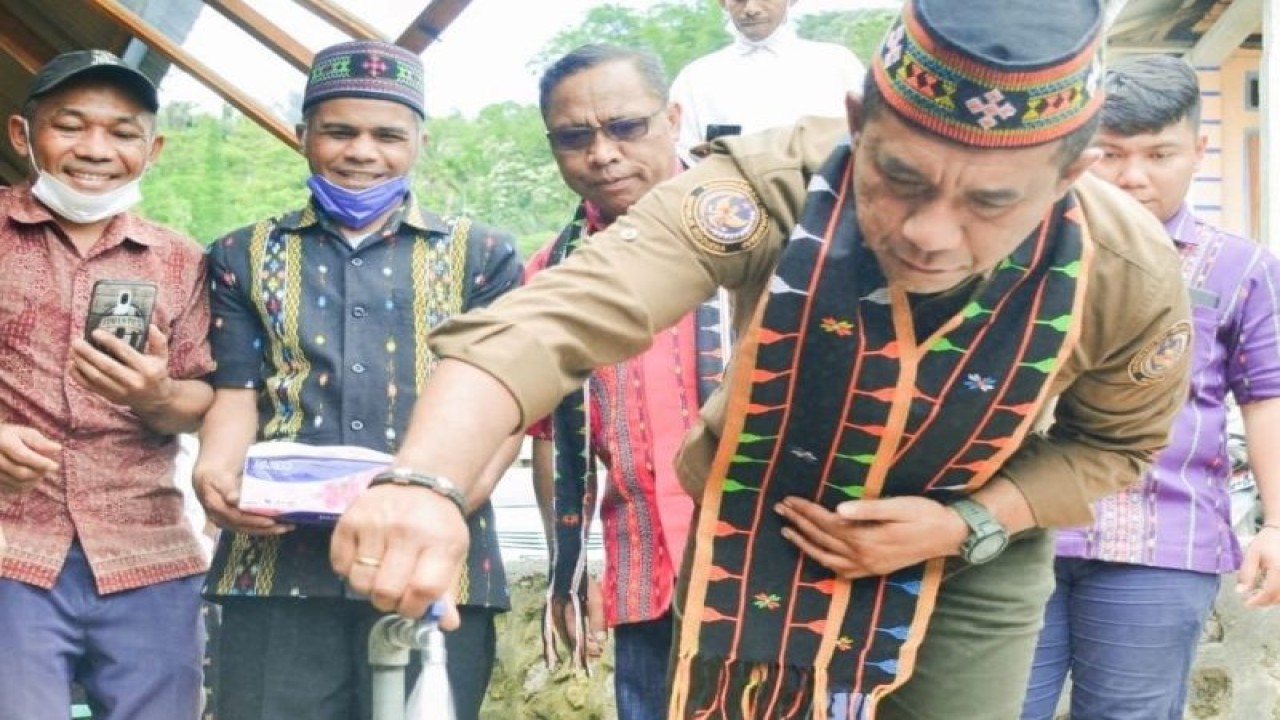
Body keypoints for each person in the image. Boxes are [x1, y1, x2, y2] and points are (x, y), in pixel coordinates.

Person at [332, 1, 1196, 717]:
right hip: (755, 534)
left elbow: (1115, 447)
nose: (931, 233)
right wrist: (425, 480)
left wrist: (968, 522)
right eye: (899, 179)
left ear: (1072, 172)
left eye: (992, 201)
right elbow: (558, 315)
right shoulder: (769, 183)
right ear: (859, 123)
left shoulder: (1124, 274)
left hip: (966, 559)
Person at [192, 40, 522, 720]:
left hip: (437, 570)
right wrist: (216, 474)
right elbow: (236, 393)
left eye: (387, 135)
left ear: (419, 142)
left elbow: (504, 409)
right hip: (274, 570)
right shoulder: (238, 254)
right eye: (339, 131)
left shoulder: (484, 256)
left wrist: (442, 505)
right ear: (302, 134)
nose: (362, 151)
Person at [1020, 54, 1280, 720]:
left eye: (1159, 154)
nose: (1133, 177)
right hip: (1012, 531)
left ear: (1198, 150)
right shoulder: (1022, 250)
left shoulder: (1239, 267)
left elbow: (1266, 395)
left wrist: (1277, 524)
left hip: (1162, 540)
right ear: (1080, 154)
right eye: (1111, 154)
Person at [0, 49, 215, 720]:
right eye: (70, 125)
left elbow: (204, 399)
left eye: (122, 132)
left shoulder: (181, 259)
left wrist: (156, 397)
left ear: (153, 148)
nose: (96, 149)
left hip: (148, 552)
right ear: (21, 134)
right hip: (10, 549)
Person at [529, 44, 729, 720]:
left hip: (769, 575)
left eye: (625, 127)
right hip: (647, 577)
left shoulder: (756, 232)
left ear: (673, 118)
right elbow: (552, 436)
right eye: (575, 137)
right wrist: (568, 566)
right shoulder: (550, 275)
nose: (603, 154)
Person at [669, 0, 865, 161]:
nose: (751, 9)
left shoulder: (837, 64)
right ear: (723, 3)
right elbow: (683, 155)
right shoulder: (696, 78)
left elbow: (866, 140)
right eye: (739, 0)